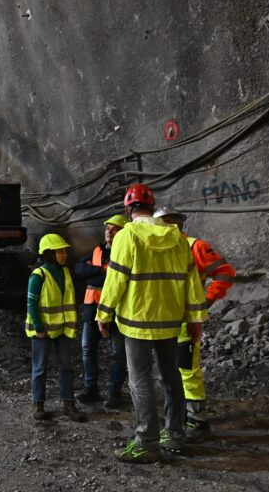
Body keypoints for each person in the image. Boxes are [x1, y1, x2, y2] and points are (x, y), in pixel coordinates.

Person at [96, 184, 208, 463]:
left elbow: (116, 279)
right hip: (170, 323)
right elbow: (192, 281)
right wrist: (196, 318)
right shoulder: (178, 238)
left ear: (127, 209)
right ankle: (176, 435)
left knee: (140, 381)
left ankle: (146, 442)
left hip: (137, 323)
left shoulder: (127, 235)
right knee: (172, 379)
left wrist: (103, 313)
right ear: (152, 207)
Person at [154, 205, 236, 443]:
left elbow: (225, 272)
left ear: (181, 224)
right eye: (164, 222)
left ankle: (197, 421)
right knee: (170, 372)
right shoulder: (158, 250)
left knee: (187, 371)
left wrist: (206, 301)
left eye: (173, 221)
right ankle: (179, 415)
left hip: (186, 324)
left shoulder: (194, 246)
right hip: (163, 323)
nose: (169, 226)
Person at [26, 233, 88, 423]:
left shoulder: (66, 272)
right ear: (49, 254)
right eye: (60, 251)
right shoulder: (39, 275)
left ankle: (68, 404)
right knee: (40, 368)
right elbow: (31, 304)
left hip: (62, 329)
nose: (65, 254)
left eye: (64, 251)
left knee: (66, 367)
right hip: (42, 331)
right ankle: (38, 404)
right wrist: (38, 327)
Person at [74, 214, 129, 408]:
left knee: (118, 354)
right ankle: (91, 390)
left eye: (114, 229)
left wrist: (96, 275)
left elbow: (113, 281)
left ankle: (114, 393)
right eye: (107, 228)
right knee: (88, 350)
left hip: (116, 312)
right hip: (92, 311)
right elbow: (79, 270)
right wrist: (100, 272)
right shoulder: (97, 251)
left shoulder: (125, 253)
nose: (109, 231)